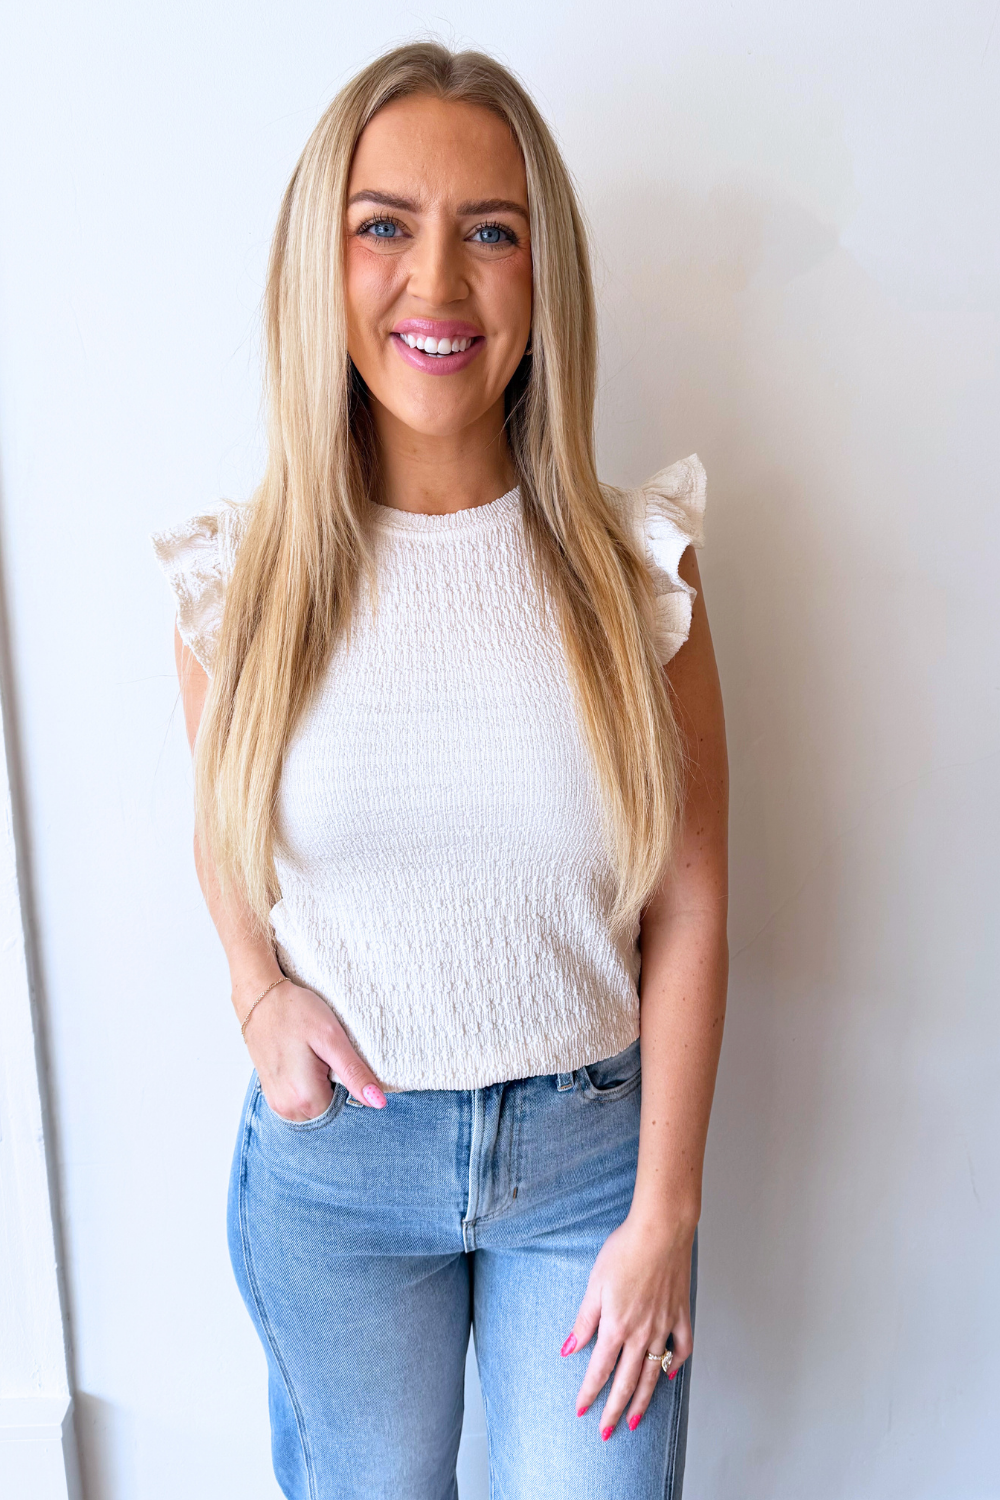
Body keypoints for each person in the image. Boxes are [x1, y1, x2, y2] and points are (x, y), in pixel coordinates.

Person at [153, 41, 728, 1500]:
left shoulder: (636, 571)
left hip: (592, 1174)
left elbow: (692, 904)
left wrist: (666, 1211)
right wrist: (256, 992)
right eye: (383, 226)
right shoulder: (240, 580)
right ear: (322, 260)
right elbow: (226, 833)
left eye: (491, 231)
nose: (437, 283)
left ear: (545, 272)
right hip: (339, 1180)